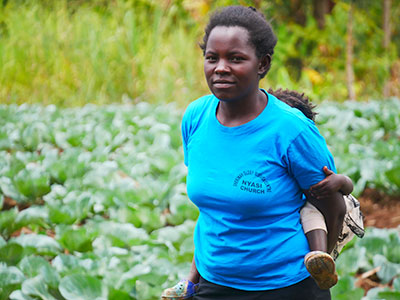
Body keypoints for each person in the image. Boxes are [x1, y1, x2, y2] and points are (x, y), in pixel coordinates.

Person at [163, 5, 346, 300]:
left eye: (236, 58)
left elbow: (332, 205)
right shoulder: (195, 117)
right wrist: (193, 280)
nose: (220, 67)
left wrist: (321, 262)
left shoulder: (290, 129)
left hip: (286, 286)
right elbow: (212, 208)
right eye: (212, 58)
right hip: (215, 283)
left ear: (262, 64)